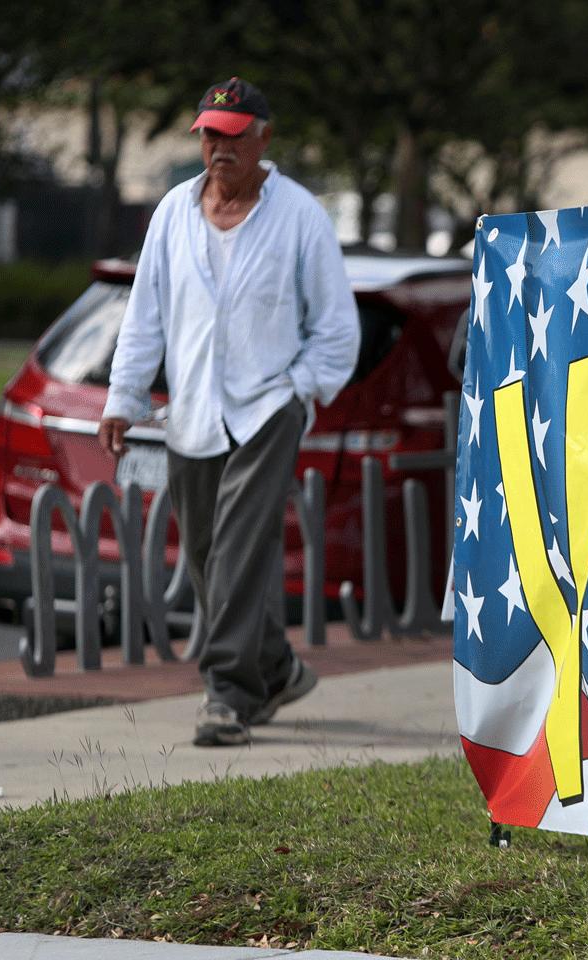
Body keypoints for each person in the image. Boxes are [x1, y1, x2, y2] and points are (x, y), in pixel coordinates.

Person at [98, 77, 361, 746]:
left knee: (241, 547)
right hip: (191, 413)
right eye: (211, 134)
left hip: (268, 406)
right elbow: (144, 317)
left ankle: (227, 694)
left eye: (234, 135)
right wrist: (123, 400)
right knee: (212, 559)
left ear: (263, 139)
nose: (219, 147)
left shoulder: (300, 215)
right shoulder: (172, 214)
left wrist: (299, 389)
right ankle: (277, 667)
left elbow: (336, 328)